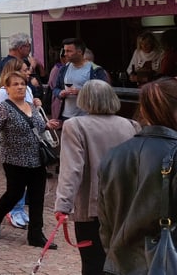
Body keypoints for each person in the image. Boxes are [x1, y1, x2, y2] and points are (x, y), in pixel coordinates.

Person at [54, 80, 140, 275]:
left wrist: (63, 204)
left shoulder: (75, 125)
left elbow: (72, 169)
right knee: (120, 264)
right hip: (125, 207)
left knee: (93, 263)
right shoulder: (131, 126)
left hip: (92, 208)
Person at [99, 78, 177, 274]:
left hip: (120, 264)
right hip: (164, 265)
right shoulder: (173, 153)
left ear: (144, 111)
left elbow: (105, 222)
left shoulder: (114, 155)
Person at [0, 70, 60, 249]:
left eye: (23, 84)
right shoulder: (2, 108)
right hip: (13, 159)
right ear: (6, 88)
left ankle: (36, 235)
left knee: (37, 197)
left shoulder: (31, 105)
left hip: (36, 158)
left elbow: (38, 126)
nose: (20, 87)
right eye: (15, 84)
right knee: (14, 194)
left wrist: (48, 124)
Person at [0, 59, 44, 230]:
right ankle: (8, 213)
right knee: (15, 190)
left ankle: (34, 230)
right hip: (14, 151)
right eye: (24, 69)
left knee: (35, 192)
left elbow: (35, 119)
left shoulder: (28, 90)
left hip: (34, 151)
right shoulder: (3, 95)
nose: (28, 71)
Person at [52, 38, 111, 124]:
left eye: (69, 51)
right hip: (67, 116)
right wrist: (60, 93)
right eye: (65, 51)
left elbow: (103, 92)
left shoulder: (95, 70)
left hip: (88, 115)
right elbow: (55, 89)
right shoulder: (64, 69)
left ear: (79, 52)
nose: (65, 54)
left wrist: (82, 92)